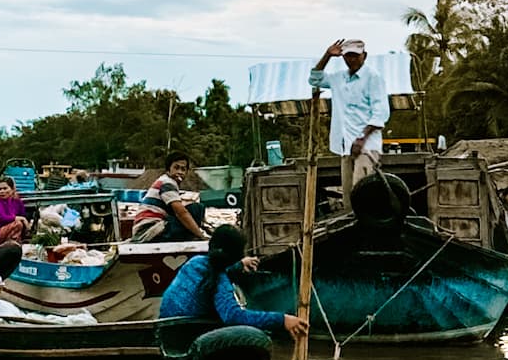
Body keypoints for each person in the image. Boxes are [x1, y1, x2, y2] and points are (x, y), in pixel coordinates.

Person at [158, 224, 308, 340]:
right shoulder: (219, 281)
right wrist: (282, 319)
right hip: (185, 338)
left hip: (166, 330)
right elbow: (232, 316)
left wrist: (240, 265)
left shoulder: (195, 263)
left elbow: (216, 268)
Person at [311, 38, 391, 208]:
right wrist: (327, 55)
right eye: (348, 56)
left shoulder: (373, 77)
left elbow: (381, 113)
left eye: (355, 56)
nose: (352, 60)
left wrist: (361, 138)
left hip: (367, 147)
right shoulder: (338, 78)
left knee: (364, 195)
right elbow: (315, 79)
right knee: (349, 199)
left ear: (364, 56)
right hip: (345, 146)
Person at [130, 155, 208, 243]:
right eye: (176, 168)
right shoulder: (167, 183)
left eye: (183, 169)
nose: (180, 172)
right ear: (168, 169)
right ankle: (192, 237)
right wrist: (201, 236)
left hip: (148, 229)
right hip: (149, 231)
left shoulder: (165, 181)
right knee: (196, 208)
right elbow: (181, 213)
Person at [0, 176, 28, 250]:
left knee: (21, 224)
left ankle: (13, 247)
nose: (2, 191)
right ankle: (11, 248)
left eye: (5, 188)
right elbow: (2, 218)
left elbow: (22, 214)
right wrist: (20, 218)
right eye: (0, 189)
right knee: (17, 224)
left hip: (5, 234)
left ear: (12, 189)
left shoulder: (17, 202)